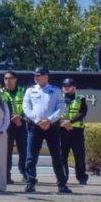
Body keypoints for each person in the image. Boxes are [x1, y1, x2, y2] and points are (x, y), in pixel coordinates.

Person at [22, 66, 70, 194]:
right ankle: (30, 182)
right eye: (35, 75)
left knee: (56, 156)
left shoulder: (55, 90)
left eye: (39, 75)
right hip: (34, 126)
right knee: (31, 156)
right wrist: (38, 121)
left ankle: (62, 184)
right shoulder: (30, 90)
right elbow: (26, 107)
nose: (36, 78)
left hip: (52, 127)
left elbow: (60, 107)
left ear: (46, 76)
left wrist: (49, 120)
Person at [0, 70, 27, 184]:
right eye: (5, 78)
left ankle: (25, 174)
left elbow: (29, 106)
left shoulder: (23, 91)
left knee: (24, 151)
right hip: (7, 125)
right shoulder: (0, 92)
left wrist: (20, 117)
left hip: (22, 124)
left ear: (15, 79)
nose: (7, 81)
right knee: (7, 151)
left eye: (10, 78)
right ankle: (6, 176)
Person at [59, 78, 88, 186]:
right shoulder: (59, 98)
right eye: (64, 86)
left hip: (76, 132)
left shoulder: (81, 98)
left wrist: (70, 122)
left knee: (79, 156)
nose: (66, 88)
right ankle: (63, 177)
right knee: (62, 156)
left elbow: (83, 113)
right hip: (62, 130)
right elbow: (54, 113)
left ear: (74, 87)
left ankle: (81, 177)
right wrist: (64, 123)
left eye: (69, 86)